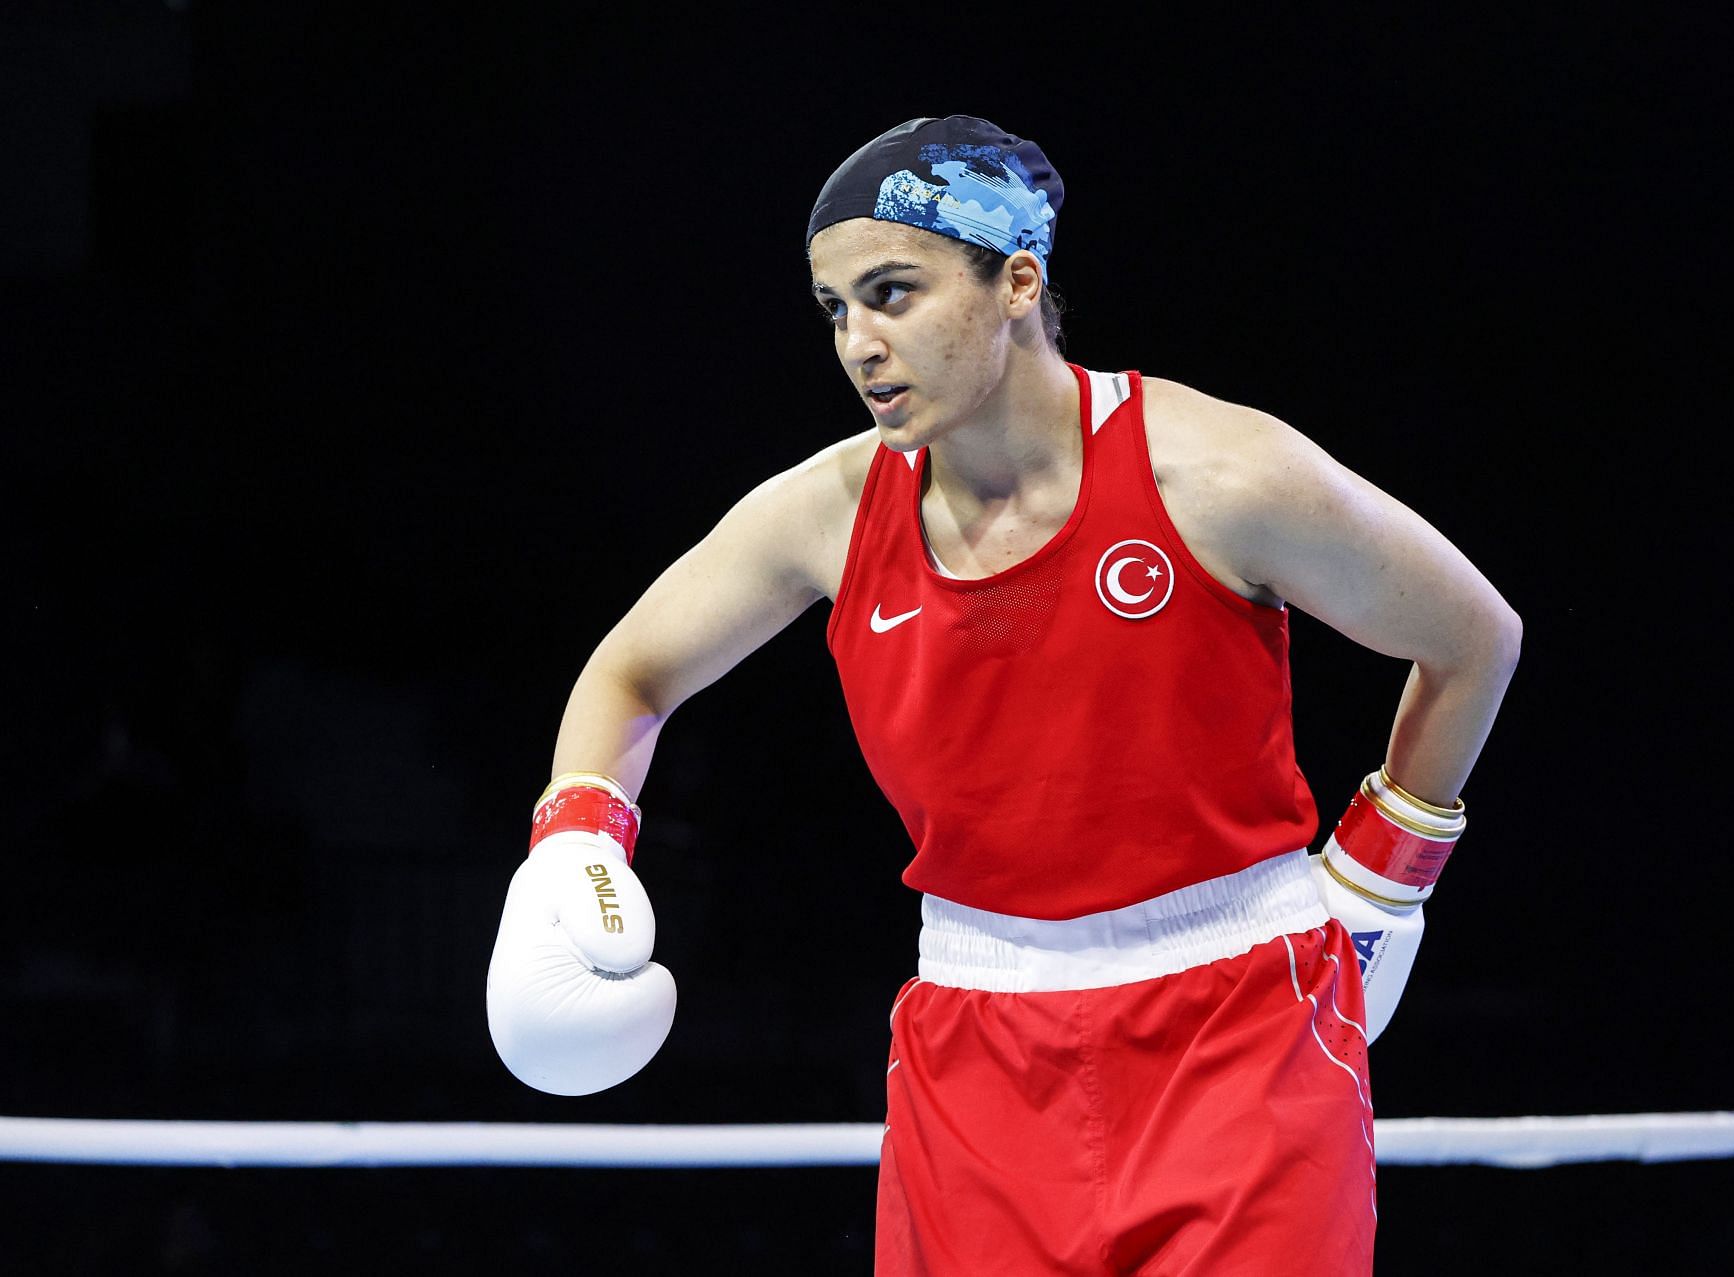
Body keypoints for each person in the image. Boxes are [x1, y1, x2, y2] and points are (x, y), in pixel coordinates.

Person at [486, 115, 1521, 1275]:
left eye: (892, 293)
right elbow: (631, 670)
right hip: (973, 1038)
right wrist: (579, 832)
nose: (859, 343)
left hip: (1243, 1030)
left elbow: (1473, 635)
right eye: (837, 309)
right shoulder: (830, 508)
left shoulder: (1217, 472)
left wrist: (1386, 878)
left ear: (1017, 280)